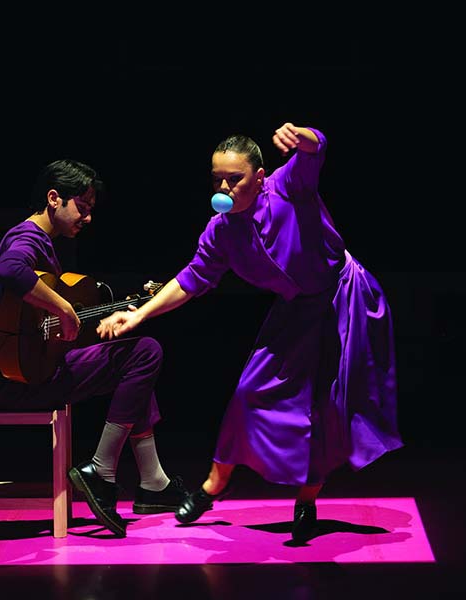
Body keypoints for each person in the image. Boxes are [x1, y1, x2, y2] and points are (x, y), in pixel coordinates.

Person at [96, 123, 403, 543]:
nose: (224, 187)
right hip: (295, 312)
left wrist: (303, 135)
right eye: (217, 178)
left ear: (258, 178)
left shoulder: (287, 186)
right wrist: (140, 315)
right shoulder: (221, 229)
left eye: (234, 178)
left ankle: (306, 502)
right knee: (247, 392)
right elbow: (191, 278)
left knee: (328, 409)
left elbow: (317, 149)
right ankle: (213, 486)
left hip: (342, 299)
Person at [0, 159, 188, 538]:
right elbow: (11, 269)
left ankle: (154, 483)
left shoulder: (44, 244)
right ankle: (102, 471)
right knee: (146, 352)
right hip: (18, 381)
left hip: (29, 371)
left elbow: (46, 332)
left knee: (135, 361)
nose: (87, 218)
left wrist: (102, 319)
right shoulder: (27, 239)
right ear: (54, 198)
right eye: (82, 208)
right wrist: (64, 307)